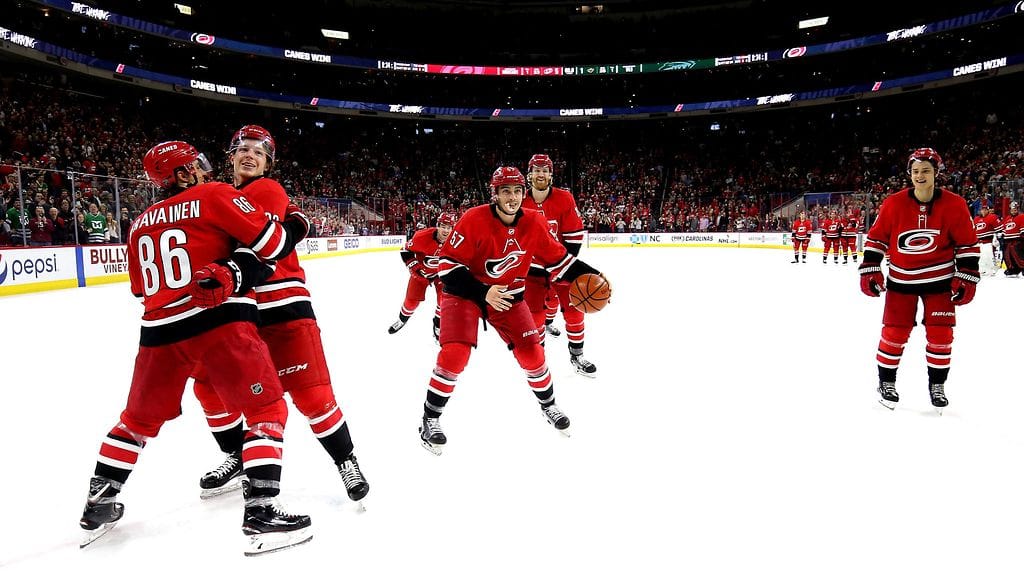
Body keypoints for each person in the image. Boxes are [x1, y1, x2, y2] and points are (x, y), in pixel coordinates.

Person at [79, 141, 313, 554]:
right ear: (184, 174)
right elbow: (274, 244)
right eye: (198, 166)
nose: (205, 171)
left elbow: (139, 289)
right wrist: (297, 222)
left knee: (135, 421)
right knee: (267, 410)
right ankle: (261, 511)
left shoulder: (138, 224)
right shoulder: (214, 195)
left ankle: (99, 500)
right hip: (219, 322)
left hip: (159, 335)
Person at [191, 125, 369, 506]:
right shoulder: (218, 196)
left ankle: (346, 460)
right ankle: (236, 457)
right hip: (237, 314)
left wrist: (237, 270)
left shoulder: (266, 190)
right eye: (242, 149)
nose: (249, 155)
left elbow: (263, 248)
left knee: (314, 396)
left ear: (269, 162)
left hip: (282, 308)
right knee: (209, 387)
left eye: (259, 151)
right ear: (231, 156)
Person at [418, 167, 610, 454]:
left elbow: (560, 261)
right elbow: (447, 266)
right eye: (506, 190)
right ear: (494, 194)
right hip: (466, 294)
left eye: (518, 190)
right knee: (455, 354)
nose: (513, 196)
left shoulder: (534, 222)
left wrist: (596, 275)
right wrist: (483, 292)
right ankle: (429, 420)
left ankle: (549, 405)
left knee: (533, 353)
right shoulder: (473, 218)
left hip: (508, 296)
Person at [858, 148, 979, 414]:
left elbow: (967, 243)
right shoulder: (893, 203)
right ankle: (886, 382)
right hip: (902, 280)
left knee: (941, 336)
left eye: (925, 170)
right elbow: (877, 238)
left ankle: (937, 386)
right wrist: (870, 267)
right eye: (915, 171)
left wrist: (968, 274)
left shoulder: (956, 203)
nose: (920, 175)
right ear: (909, 174)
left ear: (936, 172)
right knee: (894, 332)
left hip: (940, 281)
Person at [520, 154, 596, 376]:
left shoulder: (564, 198)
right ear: (529, 174)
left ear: (551, 175)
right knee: (535, 317)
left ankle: (577, 356)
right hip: (531, 271)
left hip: (560, 265)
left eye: (545, 170)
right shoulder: (520, 200)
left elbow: (573, 237)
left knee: (574, 311)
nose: (540, 173)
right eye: (536, 169)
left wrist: (563, 266)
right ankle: (539, 358)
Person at [386, 211, 455, 342]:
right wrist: (415, 268)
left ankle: (437, 324)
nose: (446, 230)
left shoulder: (455, 241)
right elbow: (405, 250)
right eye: (443, 226)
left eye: (449, 227)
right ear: (438, 225)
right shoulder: (422, 236)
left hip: (441, 274)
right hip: (422, 274)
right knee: (411, 302)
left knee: (444, 301)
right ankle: (402, 320)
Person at [973, 204, 1000, 276]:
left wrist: (997, 238)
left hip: (988, 241)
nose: (984, 211)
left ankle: (992, 269)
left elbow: (999, 229)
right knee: (981, 257)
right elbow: (973, 229)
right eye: (982, 209)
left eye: (985, 209)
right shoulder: (976, 219)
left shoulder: (992, 217)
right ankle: (982, 269)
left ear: (988, 210)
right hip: (978, 241)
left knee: (989, 256)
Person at [999, 201, 1023, 276]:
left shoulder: (1021, 216)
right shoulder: (1007, 218)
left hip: (1017, 240)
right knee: (1008, 256)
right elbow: (1004, 229)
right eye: (1012, 210)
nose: (1013, 211)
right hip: (1007, 241)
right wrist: (1001, 236)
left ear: (1017, 209)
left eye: (1015, 210)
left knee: (1019, 256)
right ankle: (1012, 269)